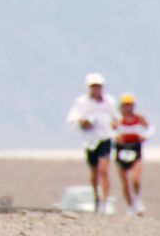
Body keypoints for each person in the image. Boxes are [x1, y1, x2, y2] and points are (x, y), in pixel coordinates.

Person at [65, 72, 119, 215]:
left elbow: (116, 118)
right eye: (94, 86)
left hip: (105, 138)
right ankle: (97, 198)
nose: (96, 89)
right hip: (90, 141)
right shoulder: (82, 102)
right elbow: (72, 119)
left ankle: (106, 203)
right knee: (94, 173)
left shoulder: (110, 102)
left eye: (99, 86)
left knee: (104, 170)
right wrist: (82, 122)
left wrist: (115, 124)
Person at [114, 92, 153, 216]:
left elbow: (150, 127)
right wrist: (116, 137)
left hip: (135, 150)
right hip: (121, 150)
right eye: (126, 105)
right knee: (124, 182)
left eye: (130, 105)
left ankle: (137, 200)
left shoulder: (138, 118)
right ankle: (130, 206)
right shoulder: (118, 119)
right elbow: (109, 130)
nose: (128, 108)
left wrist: (145, 136)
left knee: (135, 179)